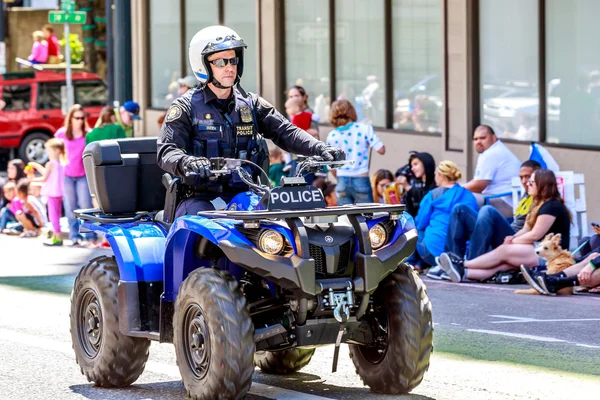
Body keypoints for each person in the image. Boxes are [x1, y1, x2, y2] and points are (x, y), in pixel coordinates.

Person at [157, 26, 344, 217]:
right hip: (200, 199)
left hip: (246, 196)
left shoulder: (251, 103)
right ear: (202, 64)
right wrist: (188, 162)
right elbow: (167, 151)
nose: (229, 67)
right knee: (202, 233)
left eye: (233, 60)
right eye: (221, 62)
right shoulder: (185, 107)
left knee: (282, 228)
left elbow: (286, 131)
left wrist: (320, 148)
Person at [439, 169, 571, 283]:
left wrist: (512, 241)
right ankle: (464, 273)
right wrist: (512, 238)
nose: (527, 184)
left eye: (531, 182)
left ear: (542, 185)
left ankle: (462, 264)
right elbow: (526, 229)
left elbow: (535, 234)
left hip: (549, 256)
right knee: (502, 265)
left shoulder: (551, 206)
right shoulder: (537, 204)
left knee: (503, 251)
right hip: (536, 250)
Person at [443, 160, 542, 261]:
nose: (524, 181)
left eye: (528, 176)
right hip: (508, 233)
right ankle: (453, 259)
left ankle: (472, 262)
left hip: (514, 238)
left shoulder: (540, 197)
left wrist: (513, 239)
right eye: (521, 177)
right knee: (460, 209)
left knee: (487, 210)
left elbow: (532, 230)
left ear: (537, 177)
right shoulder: (527, 193)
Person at [412, 161, 477, 270]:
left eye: (436, 175)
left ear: (441, 176)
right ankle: (421, 264)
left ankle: (410, 263)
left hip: (432, 253)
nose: (435, 178)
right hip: (460, 255)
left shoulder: (433, 194)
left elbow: (420, 223)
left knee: (413, 231)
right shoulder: (468, 195)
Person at [326, 99, 385, 205]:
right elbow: (381, 150)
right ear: (352, 112)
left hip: (341, 181)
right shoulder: (364, 129)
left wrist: (339, 176)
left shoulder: (332, 135)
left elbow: (330, 166)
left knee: (346, 219)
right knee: (368, 217)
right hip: (361, 178)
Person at [55, 104, 94, 246]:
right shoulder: (61, 134)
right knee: (70, 206)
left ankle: (90, 235)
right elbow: (53, 149)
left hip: (83, 174)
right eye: (77, 118)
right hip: (67, 175)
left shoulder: (88, 134)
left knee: (85, 204)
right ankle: (74, 235)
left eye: (82, 118)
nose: (80, 121)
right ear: (70, 118)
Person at [463, 125, 521, 217]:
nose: (478, 142)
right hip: (501, 198)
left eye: (483, 138)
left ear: (494, 137)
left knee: (460, 199)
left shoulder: (491, 153)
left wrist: (454, 188)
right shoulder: (493, 150)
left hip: (506, 203)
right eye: (476, 139)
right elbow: (476, 182)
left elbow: (478, 186)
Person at [28, 139, 65, 246]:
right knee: (57, 214)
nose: (47, 153)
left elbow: (44, 178)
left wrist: (33, 180)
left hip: (52, 193)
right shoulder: (60, 163)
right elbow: (47, 174)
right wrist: (36, 166)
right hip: (58, 192)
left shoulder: (50, 164)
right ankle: (56, 236)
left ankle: (57, 237)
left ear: (56, 150)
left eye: (49, 150)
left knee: (53, 216)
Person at [396, 152, 436, 217]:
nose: (412, 168)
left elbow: (426, 198)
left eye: (415, 164)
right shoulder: (412, 179)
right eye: (411, 166)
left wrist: (408, 188)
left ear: (425, 163)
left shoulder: (436, 181)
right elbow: (399, 172)